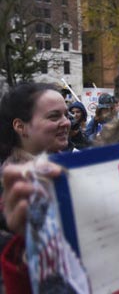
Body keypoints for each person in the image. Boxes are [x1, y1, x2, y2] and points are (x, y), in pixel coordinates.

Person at [0, 84, 72, 291]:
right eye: (54, 116)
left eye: (66, 114)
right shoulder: (10, 190)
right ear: (20, 126)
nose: (66, 122)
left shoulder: (73, 168)